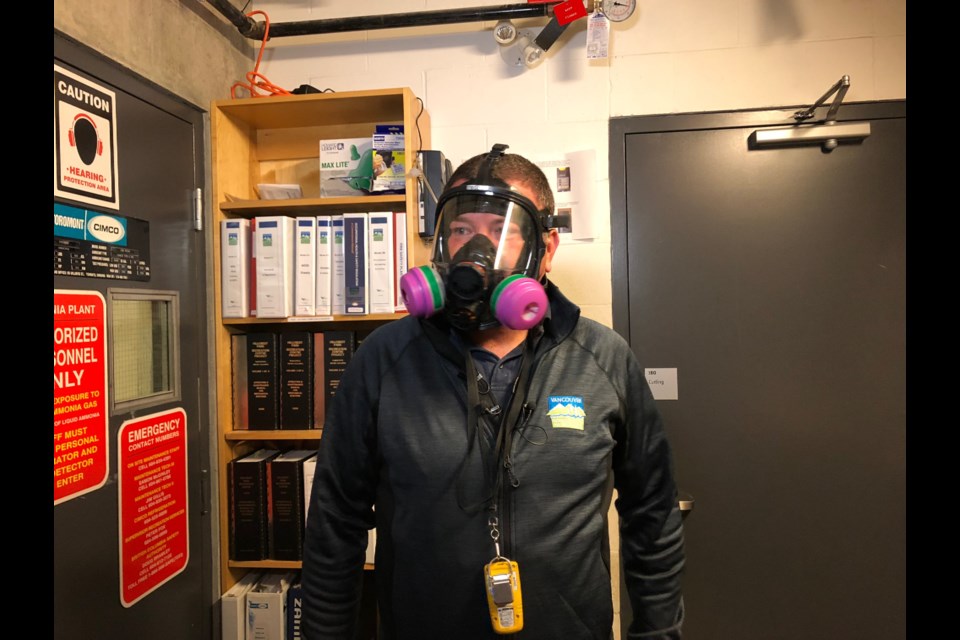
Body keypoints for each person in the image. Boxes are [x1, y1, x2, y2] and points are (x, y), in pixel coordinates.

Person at [302, 143, 685, 639]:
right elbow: (335, 521)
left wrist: (658, 633)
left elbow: (652, 512)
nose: (474, 251)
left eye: (501, 232)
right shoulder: (383, 358)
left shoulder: (604, 357)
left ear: (544, 250)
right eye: (461, 230)